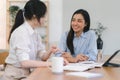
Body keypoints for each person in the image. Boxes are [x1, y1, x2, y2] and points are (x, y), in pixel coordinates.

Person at [2, 0, 58, 80]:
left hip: (26, 74)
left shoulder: (34, 33)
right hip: (15, 76)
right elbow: (24, 62)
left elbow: (42, 56)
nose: (45, 19)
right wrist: (50, 64)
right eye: (43, 16)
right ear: (35, 17)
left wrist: (50, 51)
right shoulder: (21, 33)